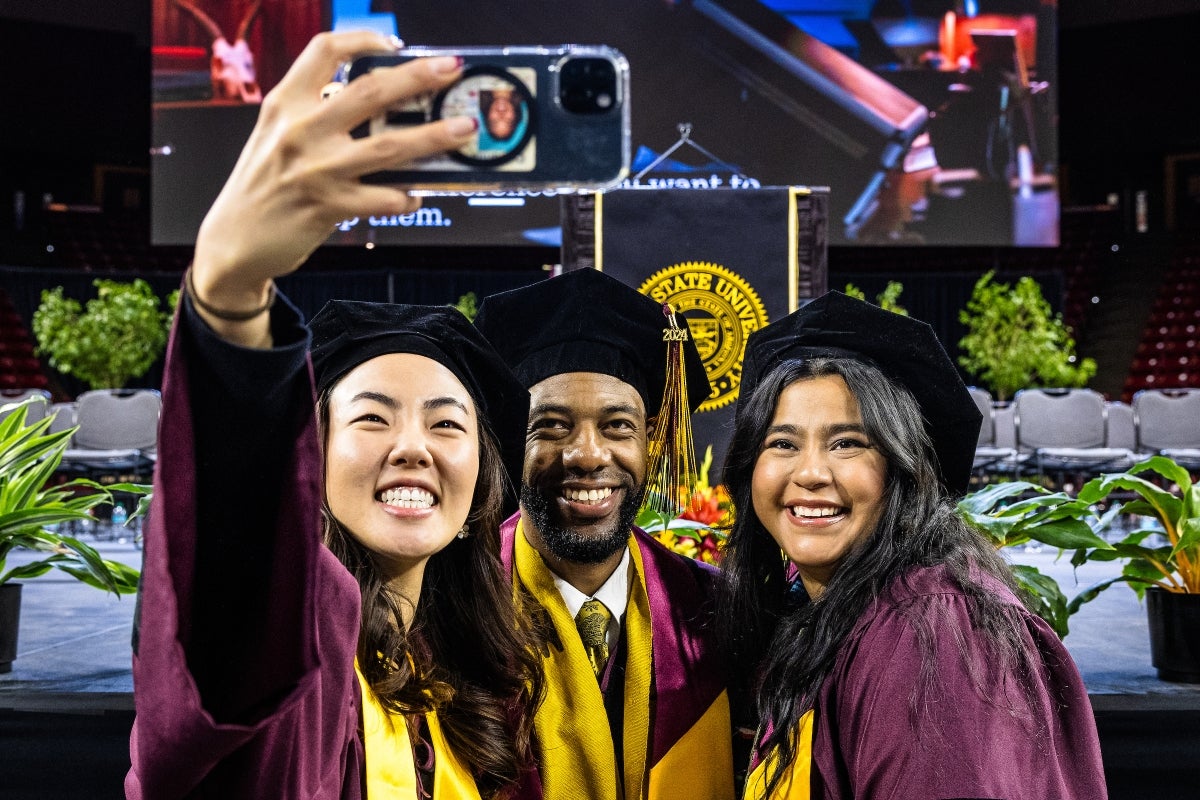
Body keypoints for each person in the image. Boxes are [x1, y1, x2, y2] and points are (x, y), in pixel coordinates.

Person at [126, 32, 544, 799]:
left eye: (448, 425)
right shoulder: (283, 656)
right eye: (373, 418)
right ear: (308, 457)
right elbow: (236, 558)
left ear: (484, 475)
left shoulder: (483, 689)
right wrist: (229, 296)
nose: (414, 447)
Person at [719, 291, 1107, 800]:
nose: (809, 473)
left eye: (847, 443)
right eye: (783, 443)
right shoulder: (834, 604)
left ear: (904, 470)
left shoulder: (932, 635)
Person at [474, 268, 737, 800]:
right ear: (505, 443)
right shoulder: (455, 611)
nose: (587, 455)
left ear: (652, 444)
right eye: (549, 426)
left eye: (618, 426)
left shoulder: (720, 615)